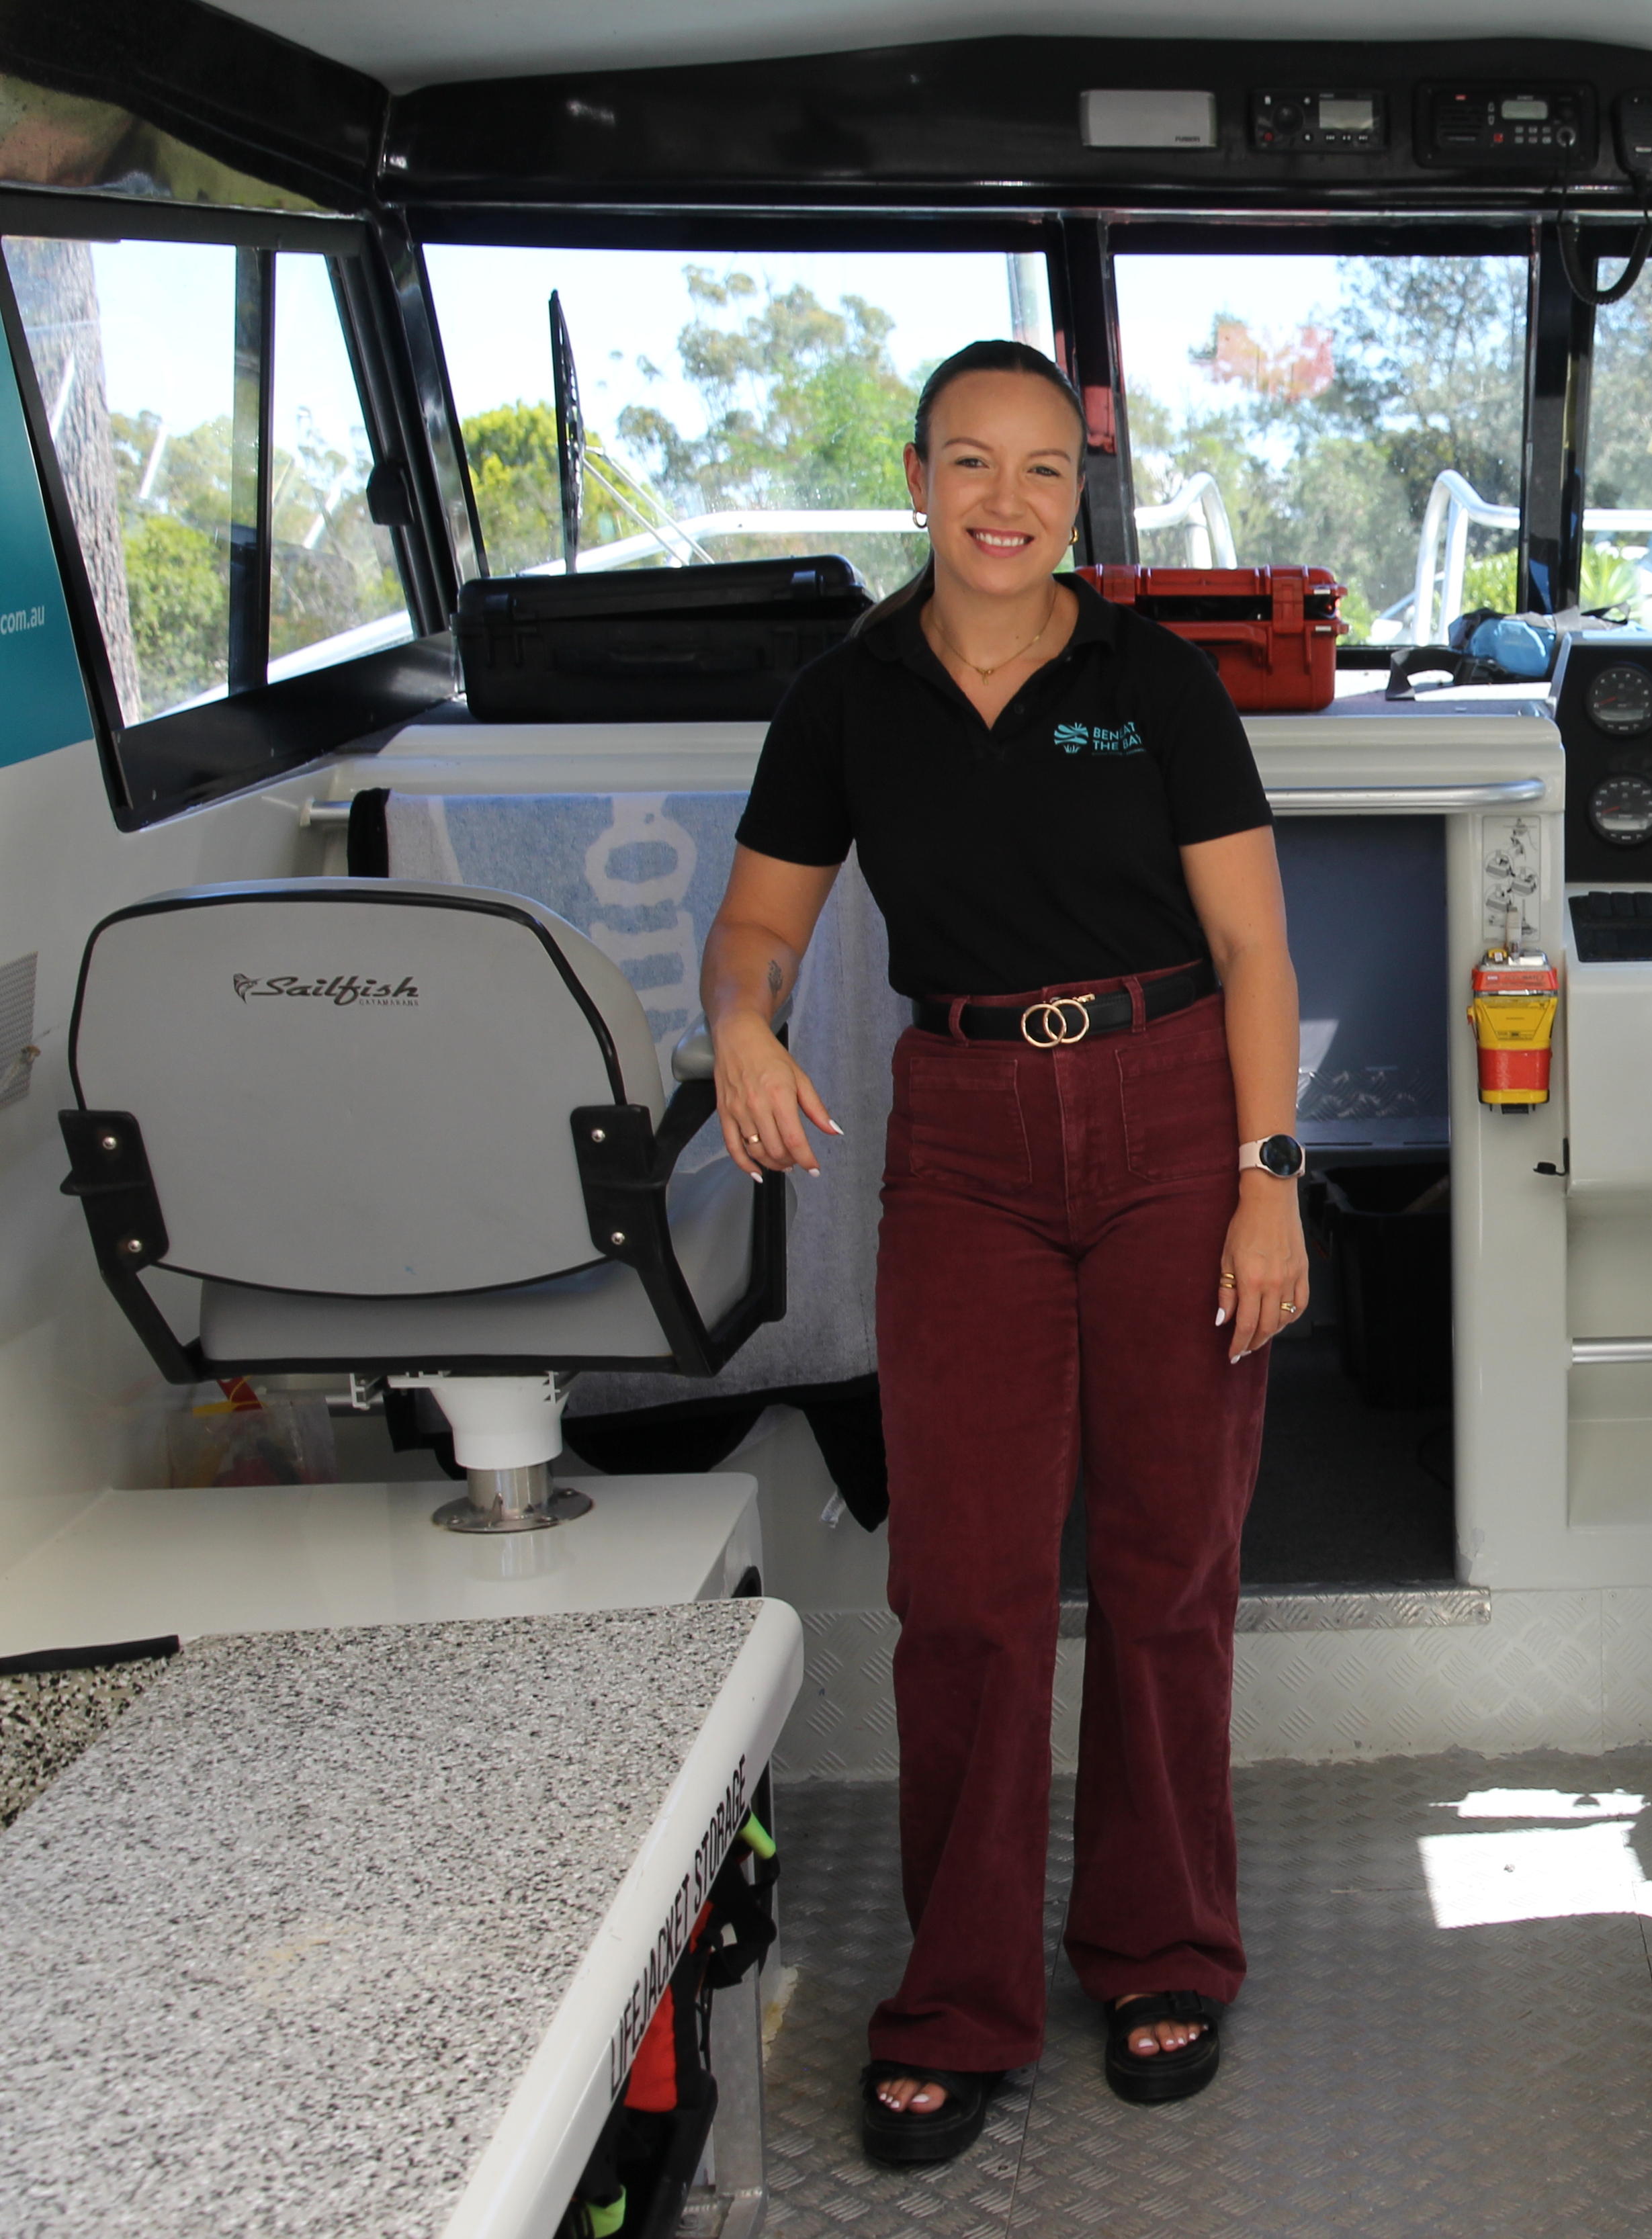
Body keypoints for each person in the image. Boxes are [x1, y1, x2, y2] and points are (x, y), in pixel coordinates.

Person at [699, 339, 1310, 2166]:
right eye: (972, 462)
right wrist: (740, 1022)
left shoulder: (1154, 681)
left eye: (1045, 470)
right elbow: (756, 925)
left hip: (1171, 1107)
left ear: (1077, 498)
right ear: (916, 478)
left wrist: (1268, 1176)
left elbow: (1256, 949)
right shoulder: (846, 696)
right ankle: (958, 1995)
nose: (1008, 500)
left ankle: (1160, 1944)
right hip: (963, 1130)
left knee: (1167, 1558)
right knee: (963, 1585)